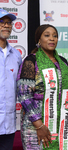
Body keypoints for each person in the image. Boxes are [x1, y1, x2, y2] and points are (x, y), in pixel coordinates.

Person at [17, 24, 68, 149]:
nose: (52, 39)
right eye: (47, 35)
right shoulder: (31, 61)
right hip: (35, 124)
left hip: (60, 121)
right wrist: (39, 125)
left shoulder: (63, 62)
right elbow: (24, 95)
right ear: (39, 40)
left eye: (55, 36)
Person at [0, 8, 22, 150]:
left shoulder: (16, 55)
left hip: (9, 124)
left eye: (9, 23)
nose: (6, 25)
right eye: (1, 22)